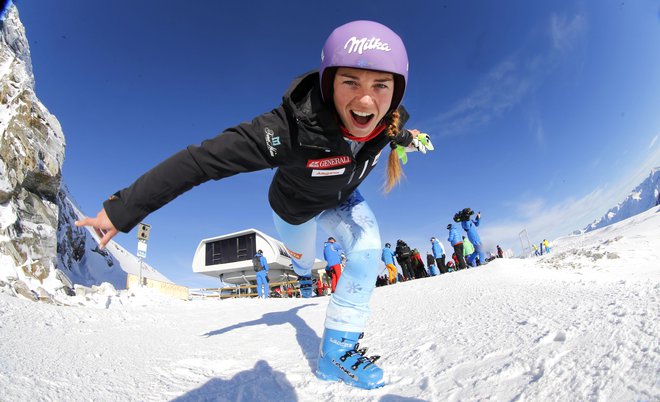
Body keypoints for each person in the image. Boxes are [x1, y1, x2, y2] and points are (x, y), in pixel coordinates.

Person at [74, 20, 432, 390]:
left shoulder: (389, 122)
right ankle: (304, 275)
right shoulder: (287, 131)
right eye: (350, 82)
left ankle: (336, 355)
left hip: (342, 200)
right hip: (293, 209)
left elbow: (398, 133)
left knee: (366, 250)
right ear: (328, 83)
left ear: (395, 91)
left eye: (380, 85)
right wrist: (123, 208)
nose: (365, 100)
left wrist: (413, 139)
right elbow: (203, 160)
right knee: (304, 261)